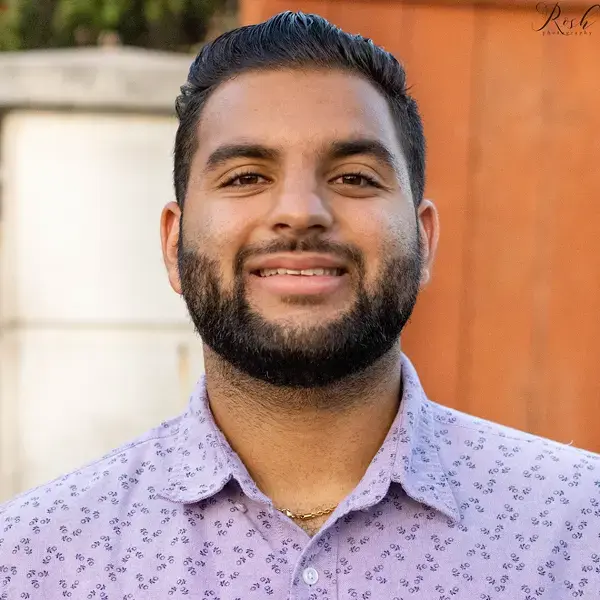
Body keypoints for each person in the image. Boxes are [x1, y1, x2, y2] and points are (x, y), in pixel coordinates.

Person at [1, 11, 599, 599]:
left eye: (355, 177)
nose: (300, 211)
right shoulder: (34, 560)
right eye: (245, 177)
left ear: (424, 242)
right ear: (173, 244)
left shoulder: (578, 531)